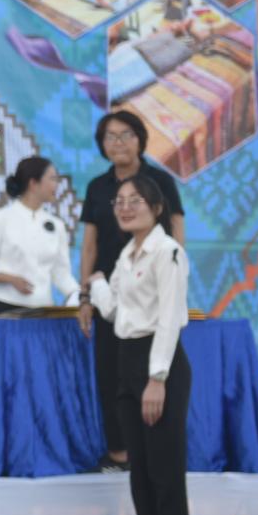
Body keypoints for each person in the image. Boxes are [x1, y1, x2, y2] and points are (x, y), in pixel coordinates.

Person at [87, 174, 192, 515]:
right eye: (120, 201)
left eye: (136, 200)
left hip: (159, 364)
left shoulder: (168, 253)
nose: (125, 207)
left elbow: (168, 319)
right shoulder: (127, 255)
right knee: (141, 472)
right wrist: (96, 284)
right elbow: (116, 311)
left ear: (157, 207)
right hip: (127, 361)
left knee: (165, 469)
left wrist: (157, 379)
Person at [78, 110, 184, 473]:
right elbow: (88, 247)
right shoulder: (97, 187)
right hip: (110, 294)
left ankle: (151, 452)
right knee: (110, 374)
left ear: (140, 139)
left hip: (151, 292)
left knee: (153, 371)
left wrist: (174, 275)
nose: (118, 143)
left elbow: (177, 233)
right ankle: (119, 453)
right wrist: (85, 296)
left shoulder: (160, 181)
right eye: (110, 137)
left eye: (125, 135)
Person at [0, 156, 79, 313]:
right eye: (52, 179)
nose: (57, 185)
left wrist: (78, 295)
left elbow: (61, 273)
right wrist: (10, 279)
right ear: (33, 183)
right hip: (3, 305)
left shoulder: (57, 225)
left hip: (42, 308)